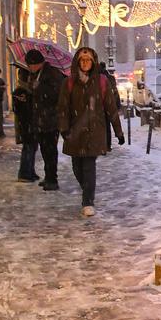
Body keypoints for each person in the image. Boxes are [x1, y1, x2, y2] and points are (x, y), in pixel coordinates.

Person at [58, 48, 123, 217]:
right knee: (77, 167)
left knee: (88, 166)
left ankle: (88, 201)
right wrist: (63, 128)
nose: (85, 63)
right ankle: (87, 188)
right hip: (75, 131)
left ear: (93, 62)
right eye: (82, 60)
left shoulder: (102, 82)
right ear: (77, 62)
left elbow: (111, 108)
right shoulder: (69, 82)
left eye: (88, 60)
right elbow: (63, 108)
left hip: (94, 131)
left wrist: (118, 132)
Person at [25, 49, 65, 191]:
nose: (30, 67)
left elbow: (57, 95)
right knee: (44, 149)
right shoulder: (36, 75)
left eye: (31, 64)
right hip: (40, 119)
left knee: (50, 150)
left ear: (38, 63)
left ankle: (52, 179)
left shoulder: (52, 74)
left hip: (51, 119)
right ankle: (48, 176)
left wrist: (40, 89)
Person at [12, 68, 38, 182]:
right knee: (28, 148)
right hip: (26, 124)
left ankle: (30, 171)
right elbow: (21, 109)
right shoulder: (20, 91)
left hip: (31, 123)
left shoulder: (28, 90)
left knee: (32, 148)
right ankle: (24, 173)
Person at [99, 62, 124, 152]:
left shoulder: (94, 79)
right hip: (108, 105)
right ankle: (107, 145)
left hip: (100, 107)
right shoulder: (110, 78)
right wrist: (117, 104)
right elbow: (115, 92)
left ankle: (102, 145)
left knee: (101, 127)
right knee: (107, 126)